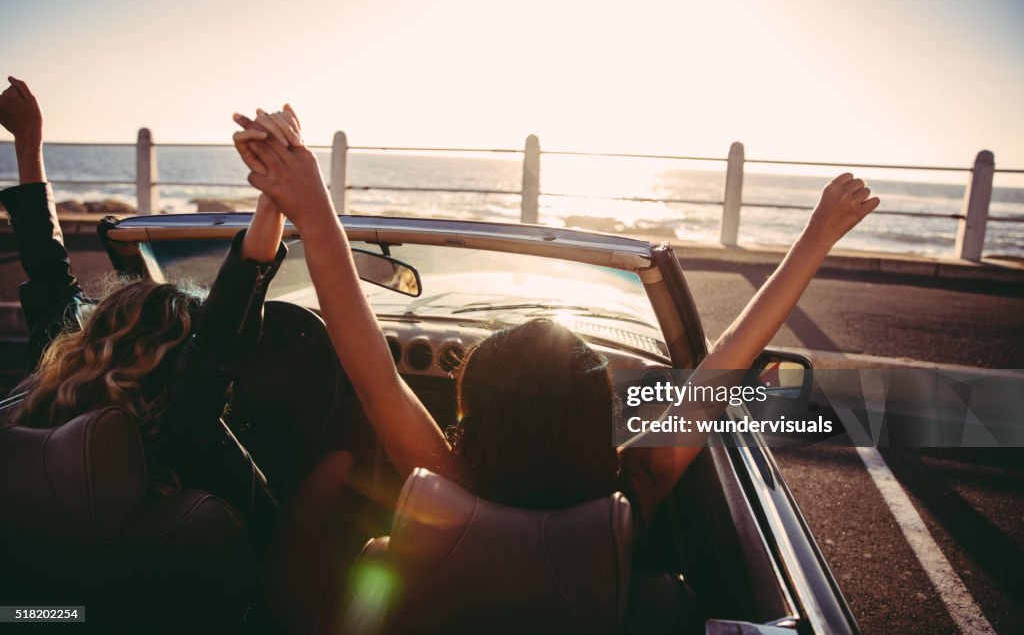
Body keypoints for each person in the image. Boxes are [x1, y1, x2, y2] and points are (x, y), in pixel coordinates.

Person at [234, 105, 880, 626]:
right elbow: (729, 358)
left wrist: (311, 202)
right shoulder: (634, 487)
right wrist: (820, 232)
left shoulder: (447, 479)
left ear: (471, 416)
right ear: (597, 419)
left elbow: (368, 360)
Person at [0, 77, 287, 504]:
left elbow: (46, 264)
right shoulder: (178, 417)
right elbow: (233, 302)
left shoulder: (51, 384)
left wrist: (28, 139)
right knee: (333, 467)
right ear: (175, 356)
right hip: (208, 559)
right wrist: (275, 191)